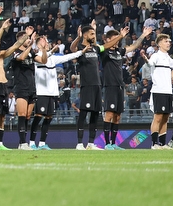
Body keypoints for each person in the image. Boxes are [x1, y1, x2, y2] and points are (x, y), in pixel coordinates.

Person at [70, 20, 123, 150]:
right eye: (92, 34)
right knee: (83, 114)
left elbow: (108, 44)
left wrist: (120, 36)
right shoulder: (81, 48)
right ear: (85, 35)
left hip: (97, 85)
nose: (94, 36)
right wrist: (77, 37)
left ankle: (91, 143)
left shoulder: (96, 48)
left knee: (95, 113)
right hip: (86, 85)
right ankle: (79, 143)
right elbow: (72, 48)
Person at [100, 25, 153, 149]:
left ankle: (113, 143)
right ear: (107, 40)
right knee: (109, 115)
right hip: (110, 86)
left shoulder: (119, 51)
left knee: (118, 116)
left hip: (119, 86)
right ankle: (107, 144)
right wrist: (120, 36)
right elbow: (106, 47)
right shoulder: (104, 52)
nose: (117, 41)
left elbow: (134, 46)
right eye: (115, 38)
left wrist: (143, 36)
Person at [31, 36, 87, 149]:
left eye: (46, 41)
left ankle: (42, 143)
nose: (46, 42)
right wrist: (47, 51)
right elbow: (44, 60)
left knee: (48, 118)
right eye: (43, 41)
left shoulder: (53, 58)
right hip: (42, 92)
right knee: (38, 117)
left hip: (53, 93)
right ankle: (32, 142)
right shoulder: (36, 56)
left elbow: (67, 57)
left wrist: (81, 52)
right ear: (37, 45)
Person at [0, 20, 30, 150]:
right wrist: (2, 28)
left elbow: (15, 46)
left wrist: (26, 36)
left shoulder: (1, 55)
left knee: (2, 116)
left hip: (4, 87)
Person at [147, 33, 173, 149]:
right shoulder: (156, 56)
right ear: (160, 43)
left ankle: (162, 143)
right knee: (158, 117)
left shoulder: (167, 57)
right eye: (166, 41)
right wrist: (146, 60)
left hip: (168, 91)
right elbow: (150, 63)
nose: (168, 43)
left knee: (166, 117)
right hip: (158, 90)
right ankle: (154, 143)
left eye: (169, 41)